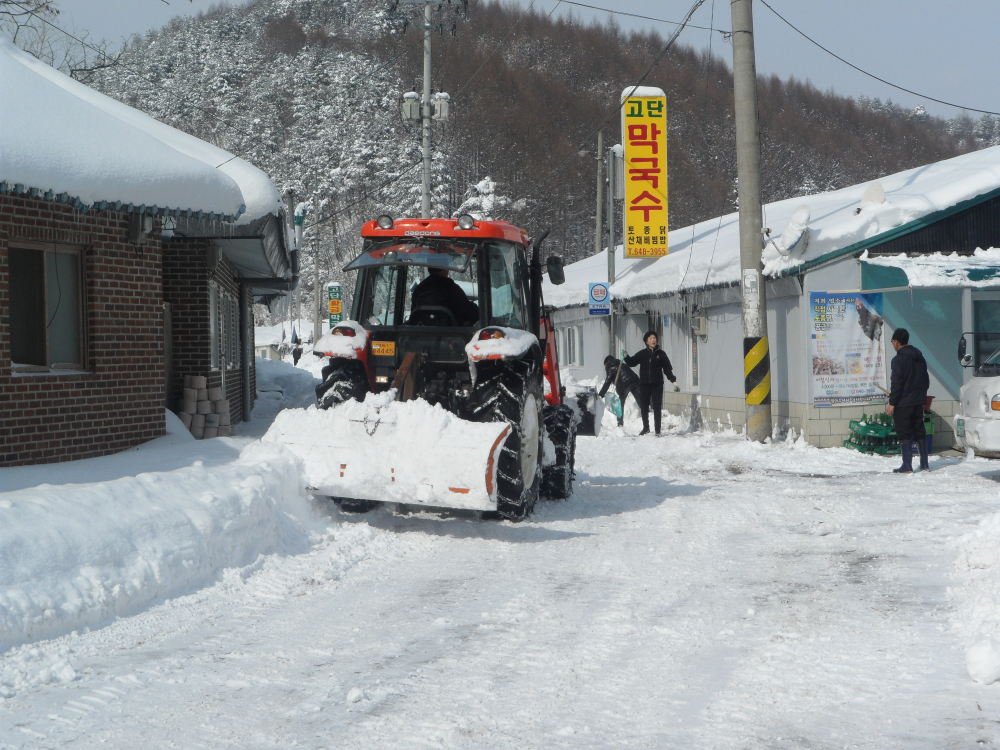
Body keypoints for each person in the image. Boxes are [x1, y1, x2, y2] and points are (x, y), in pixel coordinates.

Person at [886, 327, 930, 473]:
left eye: (892, 341)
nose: (893, 344)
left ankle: (907, 466)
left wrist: (892, 403)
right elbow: (926, 380)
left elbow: (897, 384)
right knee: (920, 432)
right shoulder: (920, 357)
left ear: (897, 342)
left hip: (903, 403)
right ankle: (924, 465)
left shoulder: (898, 360)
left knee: (904, 434)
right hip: (918, 402)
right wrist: (921, 395)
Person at [624, 331, 679, 436]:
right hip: (644, 384)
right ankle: (646, 428)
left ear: (657, 340)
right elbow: (632, 362)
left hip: (657, 384)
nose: (653, 340)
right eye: (650, 338)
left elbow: (667, 370)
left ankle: (658, 431)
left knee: (657, 407)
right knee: (644, 406)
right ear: (646, 341)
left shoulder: (661, 354)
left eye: (654, 338)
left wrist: (674, 381)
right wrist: (626, 356)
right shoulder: (642, 354)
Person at [409, 266, 479, 326]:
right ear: (445, 269)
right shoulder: (452, 289)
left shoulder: (419, 290)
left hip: (421, 336)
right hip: (451, 337)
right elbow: (469, 312)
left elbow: (413, 315)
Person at [598, 354, 641, 427]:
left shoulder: (610, 368)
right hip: (635, 380)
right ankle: (648, 417)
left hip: (625, 385)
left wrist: (601, 394)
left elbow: (607, 383)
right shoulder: (620, 363)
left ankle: (620, 423)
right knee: (640, 400)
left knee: (620, 404)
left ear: (607, 363)